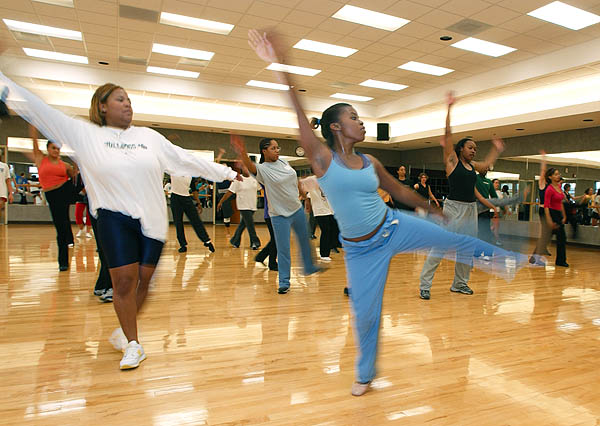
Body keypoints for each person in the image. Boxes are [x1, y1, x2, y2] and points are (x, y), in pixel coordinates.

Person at [247, 30, 525, 396]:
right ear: (335, 126)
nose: (361, 123)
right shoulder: (322, 158)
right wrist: (278, 64)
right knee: (366, 315)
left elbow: (398, 191)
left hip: (393, 225)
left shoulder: (370, 160)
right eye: (354, 117)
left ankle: (510, 261)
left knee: (455, 240)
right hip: (362, 249)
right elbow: (298, 113)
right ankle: (364, 374)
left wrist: (431, 208)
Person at [1, 74, 239, 370]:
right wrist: (4, 84)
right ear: (102, 107)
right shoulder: (85, 135)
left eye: (129, 100)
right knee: (124, 282)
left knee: (144, 284)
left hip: (151, 220)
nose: (128, 104)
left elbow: (184, 159)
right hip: (113, 217)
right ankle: (134, 343)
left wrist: (227, 173)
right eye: (120, 99)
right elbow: (41, 109)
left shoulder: (148, 137)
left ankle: (125, 330)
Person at [419, 94, 504, 300]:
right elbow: (448, 134)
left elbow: (486, 166)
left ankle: (460, 284)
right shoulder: (452, 162)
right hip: (453, 208)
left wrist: (497, 150)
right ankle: (424, 285)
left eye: (475, 148)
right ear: (460, 149)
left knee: (466, 249)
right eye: (470, 147)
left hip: (470, 209)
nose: (474, 151)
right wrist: (449, 109)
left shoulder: (473, 167)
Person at [232, 136, 321, 294]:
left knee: (304, 238)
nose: (277, 151)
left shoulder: (284, 163)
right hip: (279, 214)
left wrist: (305, 197)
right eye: (273, 148)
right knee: (283, 249)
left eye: (277, 147)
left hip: (296, 209)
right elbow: (250, 166)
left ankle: (309, 266)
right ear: (264, 151)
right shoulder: (262, 169)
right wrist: (242, 151)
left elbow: (295, 182)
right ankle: (284, 282)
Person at [27, 127, 77, 270]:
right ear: (48, 149)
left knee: (80, 181)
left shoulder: (65, 165)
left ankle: (88, 198)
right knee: (61, 226)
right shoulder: (41, 160)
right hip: (52, 195)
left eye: (58, 149)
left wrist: (76, 160)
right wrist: (34, 126)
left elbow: (75, 177)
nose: (56, 151)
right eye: (53, 148)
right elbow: (34, 142)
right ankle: (63, 261)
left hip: (65, 191)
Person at [169, 173, 216, 253]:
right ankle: (183, 245)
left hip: (186, 198)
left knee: (196, 220)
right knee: (178, 222)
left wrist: (198, 203)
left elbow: (194, 190)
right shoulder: (173, 170)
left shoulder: (190, 174)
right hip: (175, 198)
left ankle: (206, 241)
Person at [218, 164, 260, 250]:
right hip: (243, 205)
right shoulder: (238, 179)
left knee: (243, 224)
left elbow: (261, 189)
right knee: (250, 224)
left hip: (252, 205)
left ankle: (235, 241)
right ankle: (255, 242)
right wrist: (221, 201)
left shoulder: (254, 179)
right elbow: (230, 192)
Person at [302, 176, 337, 261]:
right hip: (320, 211)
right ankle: (324, 254)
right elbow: (302, 186)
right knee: (325, 231)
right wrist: (307, 203)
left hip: (330, 210)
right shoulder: (312, 180)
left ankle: (328, 249)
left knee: (331, 230)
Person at [544, 168, 568, 267]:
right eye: (556, 174)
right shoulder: (549, 189)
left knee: (547, 237)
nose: (558, 176)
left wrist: (564, 215)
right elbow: (546, 206)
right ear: (550, 177)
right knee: (562, 237)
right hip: (552, 213)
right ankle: (560, 261)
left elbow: (560, 203)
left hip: (558, 213)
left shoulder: (559, 187)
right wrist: (549, 220)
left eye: (558, 174)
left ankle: (535, 257)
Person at [254, 186, 278, 271]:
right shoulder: (268, 181)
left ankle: (261, 257)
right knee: (276, 239)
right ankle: (272, 263)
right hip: (271, 214)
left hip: (276, 214)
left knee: (275, 239)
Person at [73, 172, 92, 238]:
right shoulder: (77, 175)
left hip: (90, 196)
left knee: (89, 214)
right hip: (79, 196)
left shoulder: (90, 174)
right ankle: (81, 229)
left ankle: (88, 231)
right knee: (78, 214)